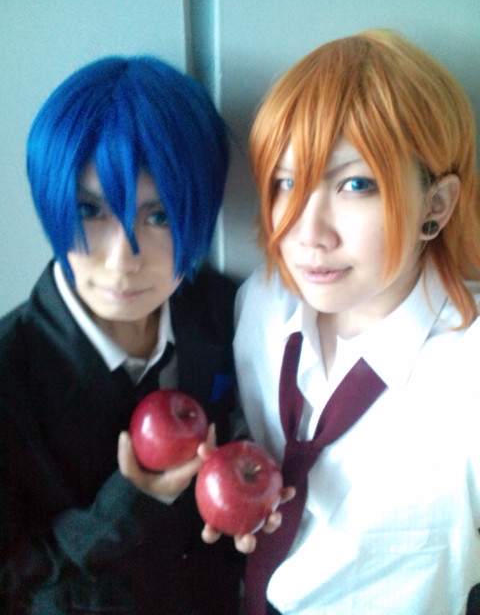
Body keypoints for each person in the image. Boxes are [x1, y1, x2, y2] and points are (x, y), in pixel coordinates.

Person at [233, 30, 480, 615]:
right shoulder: (261, 305)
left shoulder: (469, 367)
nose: (308, 232)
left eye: (356, 185)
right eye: (286, 183)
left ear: (435, 206)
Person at [0, 55, 244, 614]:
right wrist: (121, 513)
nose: (121, 260)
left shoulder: (224, 312)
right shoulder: (9, 376)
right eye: (89, 210)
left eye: (159, 217)